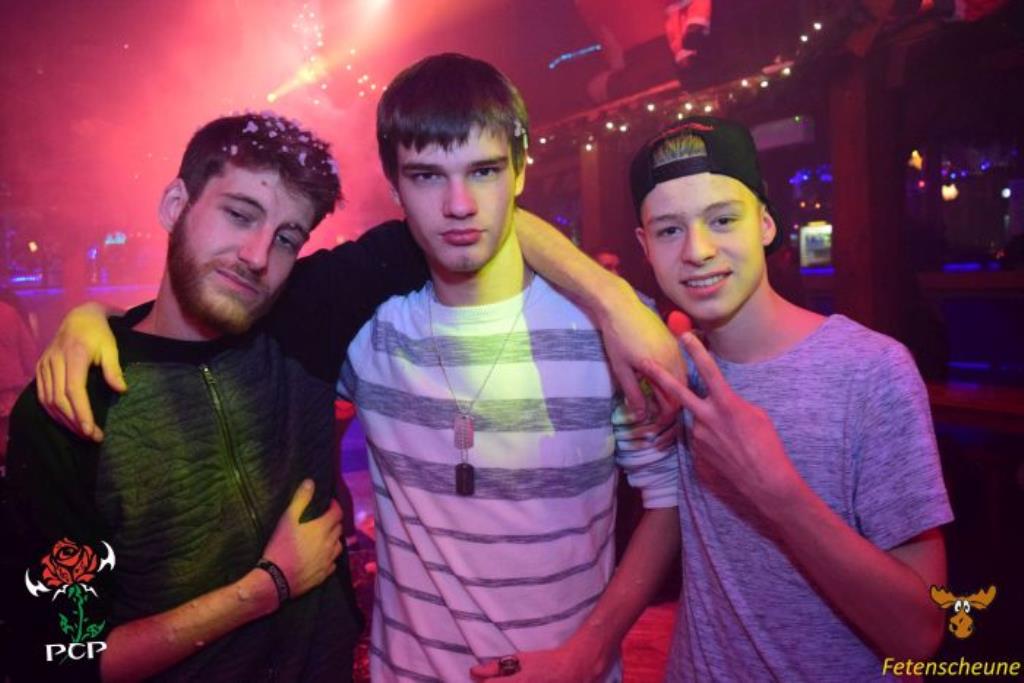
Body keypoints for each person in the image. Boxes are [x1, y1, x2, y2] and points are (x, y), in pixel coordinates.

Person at [12, 109, 684, 683]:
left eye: (286, 238)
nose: (256, 255)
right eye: (239, 214)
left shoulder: (301, 320)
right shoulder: (71, 407)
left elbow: (477, 218)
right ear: (174, 205)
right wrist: (262, 588)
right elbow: (60, 655)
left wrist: (613, 300)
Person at [342, 53, 680, 682]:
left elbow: (668, 501)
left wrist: (589, 651)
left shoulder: (610, 331)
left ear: (521, 170)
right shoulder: (369, 335)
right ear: (394, 187)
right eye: (427, 176)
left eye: (485, 170)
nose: (459, 204)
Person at [629, 117, 953, 680]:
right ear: (645, 248)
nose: (697, 251)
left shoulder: (870, 371)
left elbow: (920, 633)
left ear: (766, 222)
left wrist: (775, 491)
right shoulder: (674, 371)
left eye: (722, 219)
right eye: (669, 230)